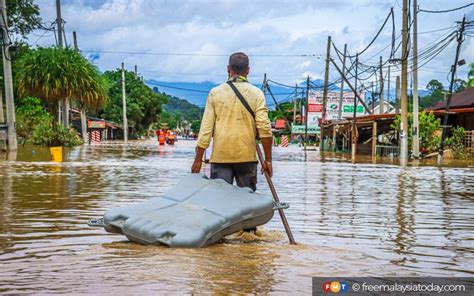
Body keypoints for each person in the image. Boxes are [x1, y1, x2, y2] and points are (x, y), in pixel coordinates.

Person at [191, 52, 273, 192]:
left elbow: (206, 130)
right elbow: (264, 129)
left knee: (220, 204)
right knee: (247, 204)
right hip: (246, 157)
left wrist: (198, 160)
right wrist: (268, 160)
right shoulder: (256, 94)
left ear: (228, 69)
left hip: (220, 158)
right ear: (248, 70)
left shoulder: (215, 93)